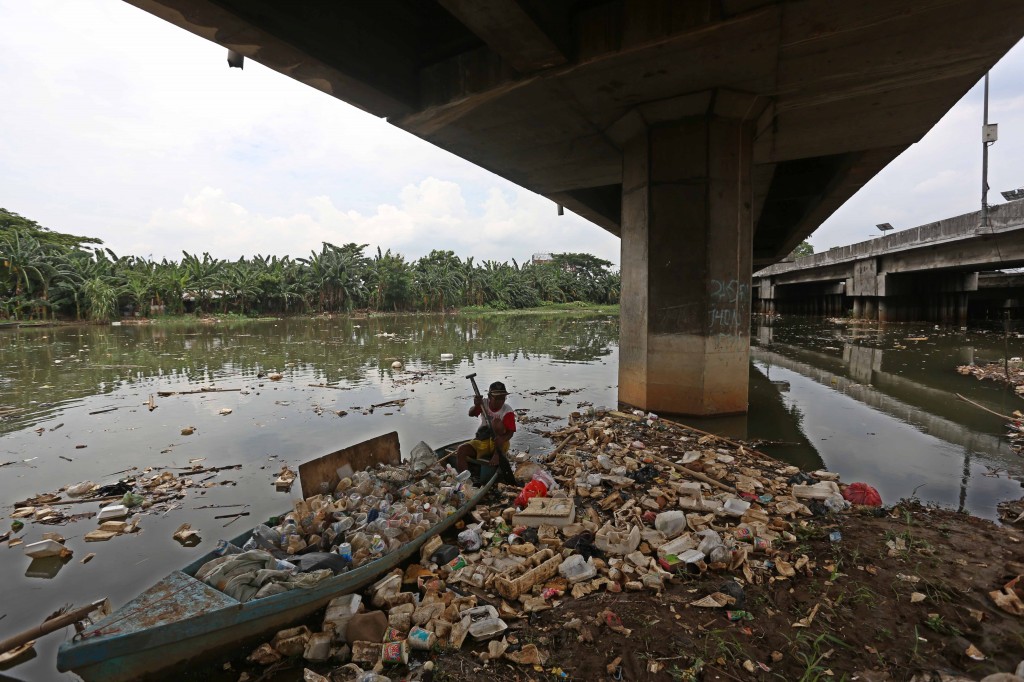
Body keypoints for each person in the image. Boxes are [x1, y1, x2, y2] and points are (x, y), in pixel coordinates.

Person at [455, 381, 516, 475]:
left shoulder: (507, 411)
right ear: (489, 397)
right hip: (483, 439)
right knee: (461, 450)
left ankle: (497, 455)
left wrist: (502, 440)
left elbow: (510, 432)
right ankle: (464, 481)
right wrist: (476, 405)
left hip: (499, 443)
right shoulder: (483, 404)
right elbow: (471, 413)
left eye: (503, 398)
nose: (500, 401)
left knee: (496, 423)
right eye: (497, 398)